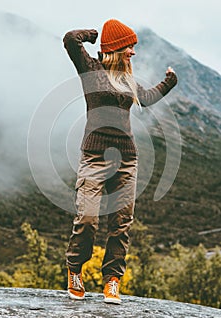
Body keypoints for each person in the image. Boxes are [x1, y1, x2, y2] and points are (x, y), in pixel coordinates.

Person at [63, 19, 177, 304]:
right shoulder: (91, 70)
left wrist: (168, 83)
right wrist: (93, 35)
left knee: (121, 223)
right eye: (129, 47)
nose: (133, 53)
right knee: (87, 218)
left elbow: (148, 98)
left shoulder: (128, 80)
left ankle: (112, 281)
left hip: (127, 159)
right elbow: (69, 39)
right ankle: (74, 269)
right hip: (94, 157)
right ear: (115, 48)